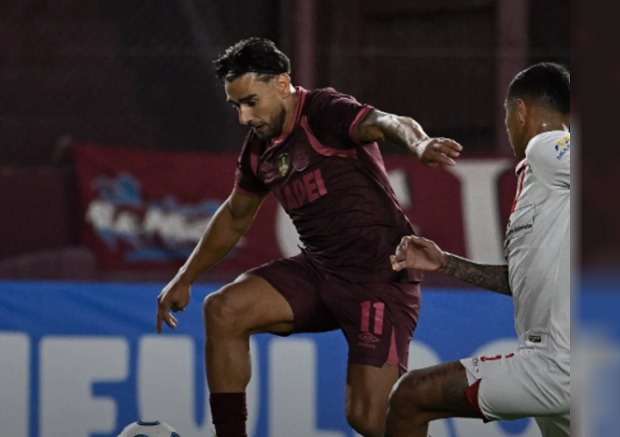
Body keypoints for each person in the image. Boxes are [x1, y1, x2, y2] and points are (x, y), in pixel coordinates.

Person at [155, 37, 463, 437]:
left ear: (282, 84)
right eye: (236, 106)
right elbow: (234, 216)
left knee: (370, 419)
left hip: (378, 279)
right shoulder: (258, 150)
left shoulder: (324, 112)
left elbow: (388, 121)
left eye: (250, 102)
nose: (244, 117)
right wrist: (185, 277)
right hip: (319, 272)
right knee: (223, 310)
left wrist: (419, 143)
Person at [385, 62, 570, 437]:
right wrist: (446, 263)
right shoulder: (547, 187)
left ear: (520, 110)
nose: (507, 127)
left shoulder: (545, 147)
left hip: (557, 365)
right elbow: (523, 282)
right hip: (566, 368)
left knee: (409, 396)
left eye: (506, 116)